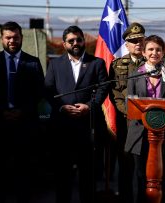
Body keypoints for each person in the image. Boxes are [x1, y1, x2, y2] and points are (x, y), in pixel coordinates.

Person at [44, 25, 109, 203]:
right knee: (62, 174)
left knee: (88, 175)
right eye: (71, 41)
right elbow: (48, 90)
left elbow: (104, 87)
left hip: (87, 126)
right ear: (64, 44)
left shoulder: (97, 63)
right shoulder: (55, 64)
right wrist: (61, 107)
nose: (75, 43)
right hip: (62, 127)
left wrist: (89, 106)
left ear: (83, 41)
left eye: (78, 39)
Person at [0, 21, 45, 203]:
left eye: (15, 37)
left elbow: (39, 92)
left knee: (23, 172)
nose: (12, 41)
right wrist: (2, 111)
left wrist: (22, 112)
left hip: (24, 125)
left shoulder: (33, 62)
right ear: (1, 39)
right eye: (8, 37)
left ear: (21, 38)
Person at [125, 35, 165, 203]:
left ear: (163, 53)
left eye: (158, 50)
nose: (154, 53)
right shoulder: (135, 75)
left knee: (160, 177)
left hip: (163, 134)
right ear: (143, 52)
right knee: (141, 176)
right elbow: (130, 105)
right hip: (140, 133)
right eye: (150, 49)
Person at [108, 22, 146, 203]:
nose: (138, 43)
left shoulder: (153, 64)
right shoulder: (117, 65)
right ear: (127, 44)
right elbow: (114, 93)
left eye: (140, 40)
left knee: (144, 168)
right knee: (125, 166)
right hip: (126, 122)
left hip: (147, 123)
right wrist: (128, 111)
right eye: (133, 41)